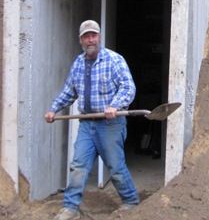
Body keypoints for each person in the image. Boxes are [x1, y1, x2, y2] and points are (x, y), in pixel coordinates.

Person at [45, 20, 139, 220]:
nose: (90, 39)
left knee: (115, 166)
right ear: (81, 40)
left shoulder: (114, 60)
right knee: (79, 165)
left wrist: (115, 105)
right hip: (87, 124)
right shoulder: (78, 63)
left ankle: (130, 202)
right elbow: (69, 91)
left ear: (99, 36)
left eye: (93, 35)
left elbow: (128, 87)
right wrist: (54, 109)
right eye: (86, 36)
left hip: (110, 124)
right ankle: (70, 208)